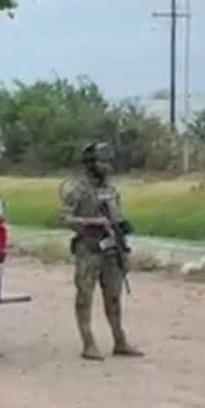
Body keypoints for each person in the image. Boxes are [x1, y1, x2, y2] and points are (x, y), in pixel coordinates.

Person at [59, 142, 144, 361]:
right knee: (85, 297)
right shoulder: (75, 187)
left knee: (114, 298)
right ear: (89, 163)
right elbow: (64, 218)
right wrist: (91, 221)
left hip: (111, 249)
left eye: (108, 161)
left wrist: (123, 249)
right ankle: (88, 343)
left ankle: (120, 341)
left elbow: (118, 219)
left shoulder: (111, 189)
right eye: (101, 161)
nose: (106, 166)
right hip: (88, 248)